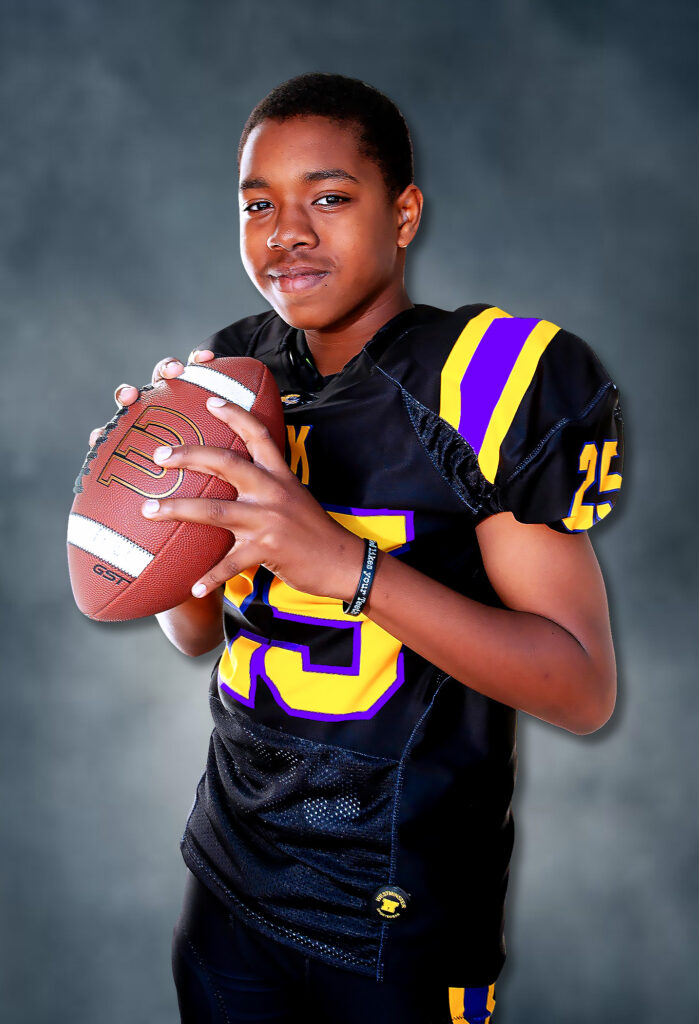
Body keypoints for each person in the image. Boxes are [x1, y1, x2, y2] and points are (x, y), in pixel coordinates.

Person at [88, 72, 625, 1024]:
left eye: (328, 198)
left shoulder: (483, 381)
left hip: (396, 919)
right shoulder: (236, 370)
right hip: (228, 882)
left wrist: (347, 567)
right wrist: (154, 519)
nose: (285, 232)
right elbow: (197, 633)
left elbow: (580, 688)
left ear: (403, 213)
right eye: (258, 204)